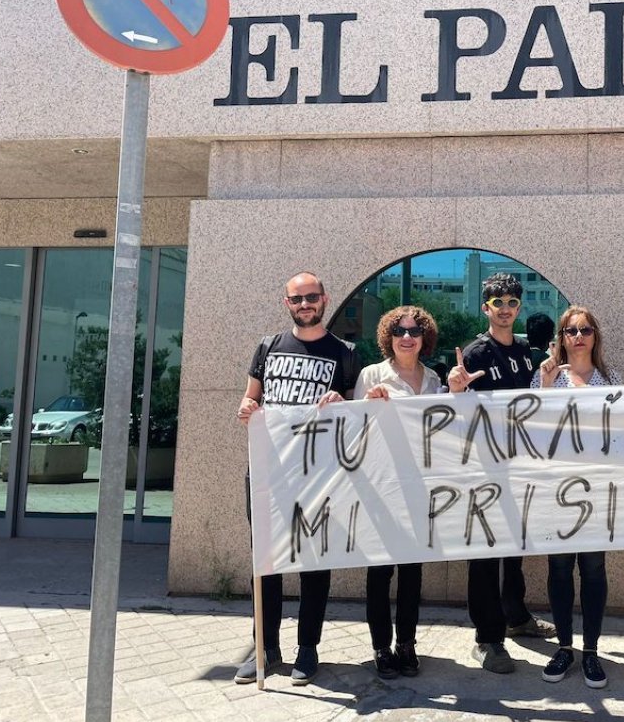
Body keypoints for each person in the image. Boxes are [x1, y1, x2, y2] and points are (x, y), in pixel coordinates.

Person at [234, 271, 361, 686]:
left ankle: (308, 647)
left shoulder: (345, 353)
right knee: (266, 562)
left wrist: (341, 402)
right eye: (297, 299)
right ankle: (265, 648)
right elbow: (251, 396)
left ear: (324, 299)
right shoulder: (268, 347)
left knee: (314, 562)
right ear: (286, 303)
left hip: (318, 476)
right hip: (267, 471)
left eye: (311, 297)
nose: (305, 304)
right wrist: (247, 407)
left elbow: (356, 416)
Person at [447, 272, 557, 673]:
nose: (506, 309)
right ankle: (487, 638)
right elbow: (455, 411)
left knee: (514, 550)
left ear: (519, 307)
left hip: (519, 467)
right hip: (483, 470)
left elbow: (536, 408)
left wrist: (547, 383)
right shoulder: (476, 353)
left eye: (512, 302)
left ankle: (516, 617)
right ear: (486, 308)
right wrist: (456, 389)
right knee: (484, 555)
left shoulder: (528, 353)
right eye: (498, 303)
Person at [531, 305, 621, 689]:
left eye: (585, 329)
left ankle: (591, 650)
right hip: (558, 489)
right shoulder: (548, 377)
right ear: (562, 338)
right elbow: (532, 426)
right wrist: (545, 384)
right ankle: (564, 647)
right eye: (571, 331)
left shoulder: (611, 379)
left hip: (597, 489)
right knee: (560, 568)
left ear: (595, 335)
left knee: (594, 569)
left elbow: (622, 434)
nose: (579, 336)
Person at [353, 306, 443, 680]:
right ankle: (380, 646)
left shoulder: (435, 379)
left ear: (425, 338)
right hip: (381, 486)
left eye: (415, 331)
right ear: (388, 337)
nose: (407, 337)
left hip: (418, 488)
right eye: (400, 331)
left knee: (411, 572)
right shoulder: (371, 375)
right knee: (379, 571)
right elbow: (353, 430)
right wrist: (368, 406)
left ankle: (406, 644)